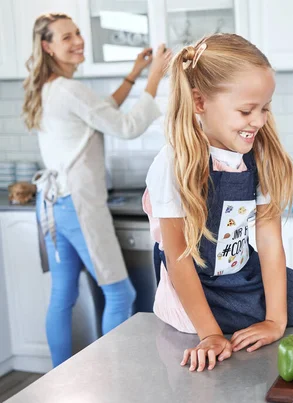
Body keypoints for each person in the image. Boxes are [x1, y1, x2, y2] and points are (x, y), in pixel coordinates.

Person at [143, 33, 293, 372]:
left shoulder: (259, 154)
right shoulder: (173, 164)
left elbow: (269, 242)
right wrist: (209, 334)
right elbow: (178, 259)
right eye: (246, 110)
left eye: (265, 108)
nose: (259, 120)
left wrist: (275, 322)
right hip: (198, 290)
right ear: (199, 102)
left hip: (244, 278)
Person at [22, 13, 171, 367]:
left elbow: (100, 111)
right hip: (79, 206)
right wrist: (153, 79)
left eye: (77, 33)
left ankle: (58, 375)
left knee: (63, 295)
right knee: (121, 294)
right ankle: (110, 379)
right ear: (47, 47)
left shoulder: (50, 87)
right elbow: (127, 126)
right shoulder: (69, 89)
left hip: (52, 205)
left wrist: (133, 75)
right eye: (65, 37)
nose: (77, 41)